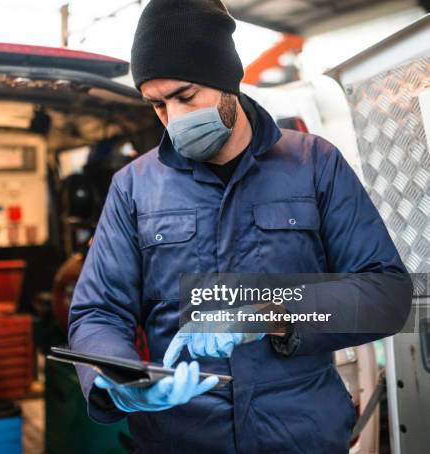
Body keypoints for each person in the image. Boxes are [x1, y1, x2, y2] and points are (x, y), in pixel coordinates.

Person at [68, 0, 411, 452]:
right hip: (182, 438)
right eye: (157, 105)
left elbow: (385, 294)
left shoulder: (314, 165)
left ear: (228, 79)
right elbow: (98, 312)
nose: (173, 119)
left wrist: (267, 313)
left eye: (186, 97)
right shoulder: (134, 187)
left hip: (299, 436)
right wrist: (119, 377)